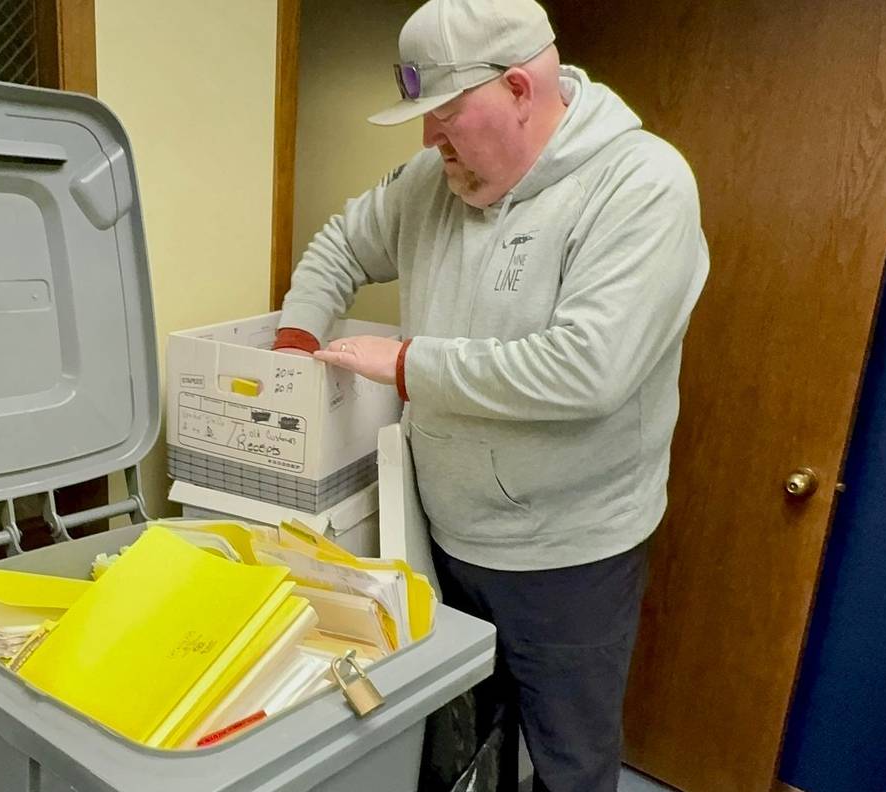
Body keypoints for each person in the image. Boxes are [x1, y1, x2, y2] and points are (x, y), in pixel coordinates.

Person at [274, 0, 709, 789]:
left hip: (567, 554)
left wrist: (405, 364)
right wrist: (295, 344)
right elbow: (341, 244)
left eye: (446, 116)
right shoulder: (429, 181)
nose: (428, 140)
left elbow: (587, 369)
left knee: (569, 759)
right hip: (442, 532)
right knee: (465, 737)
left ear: (517, 88)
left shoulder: (640, 184)